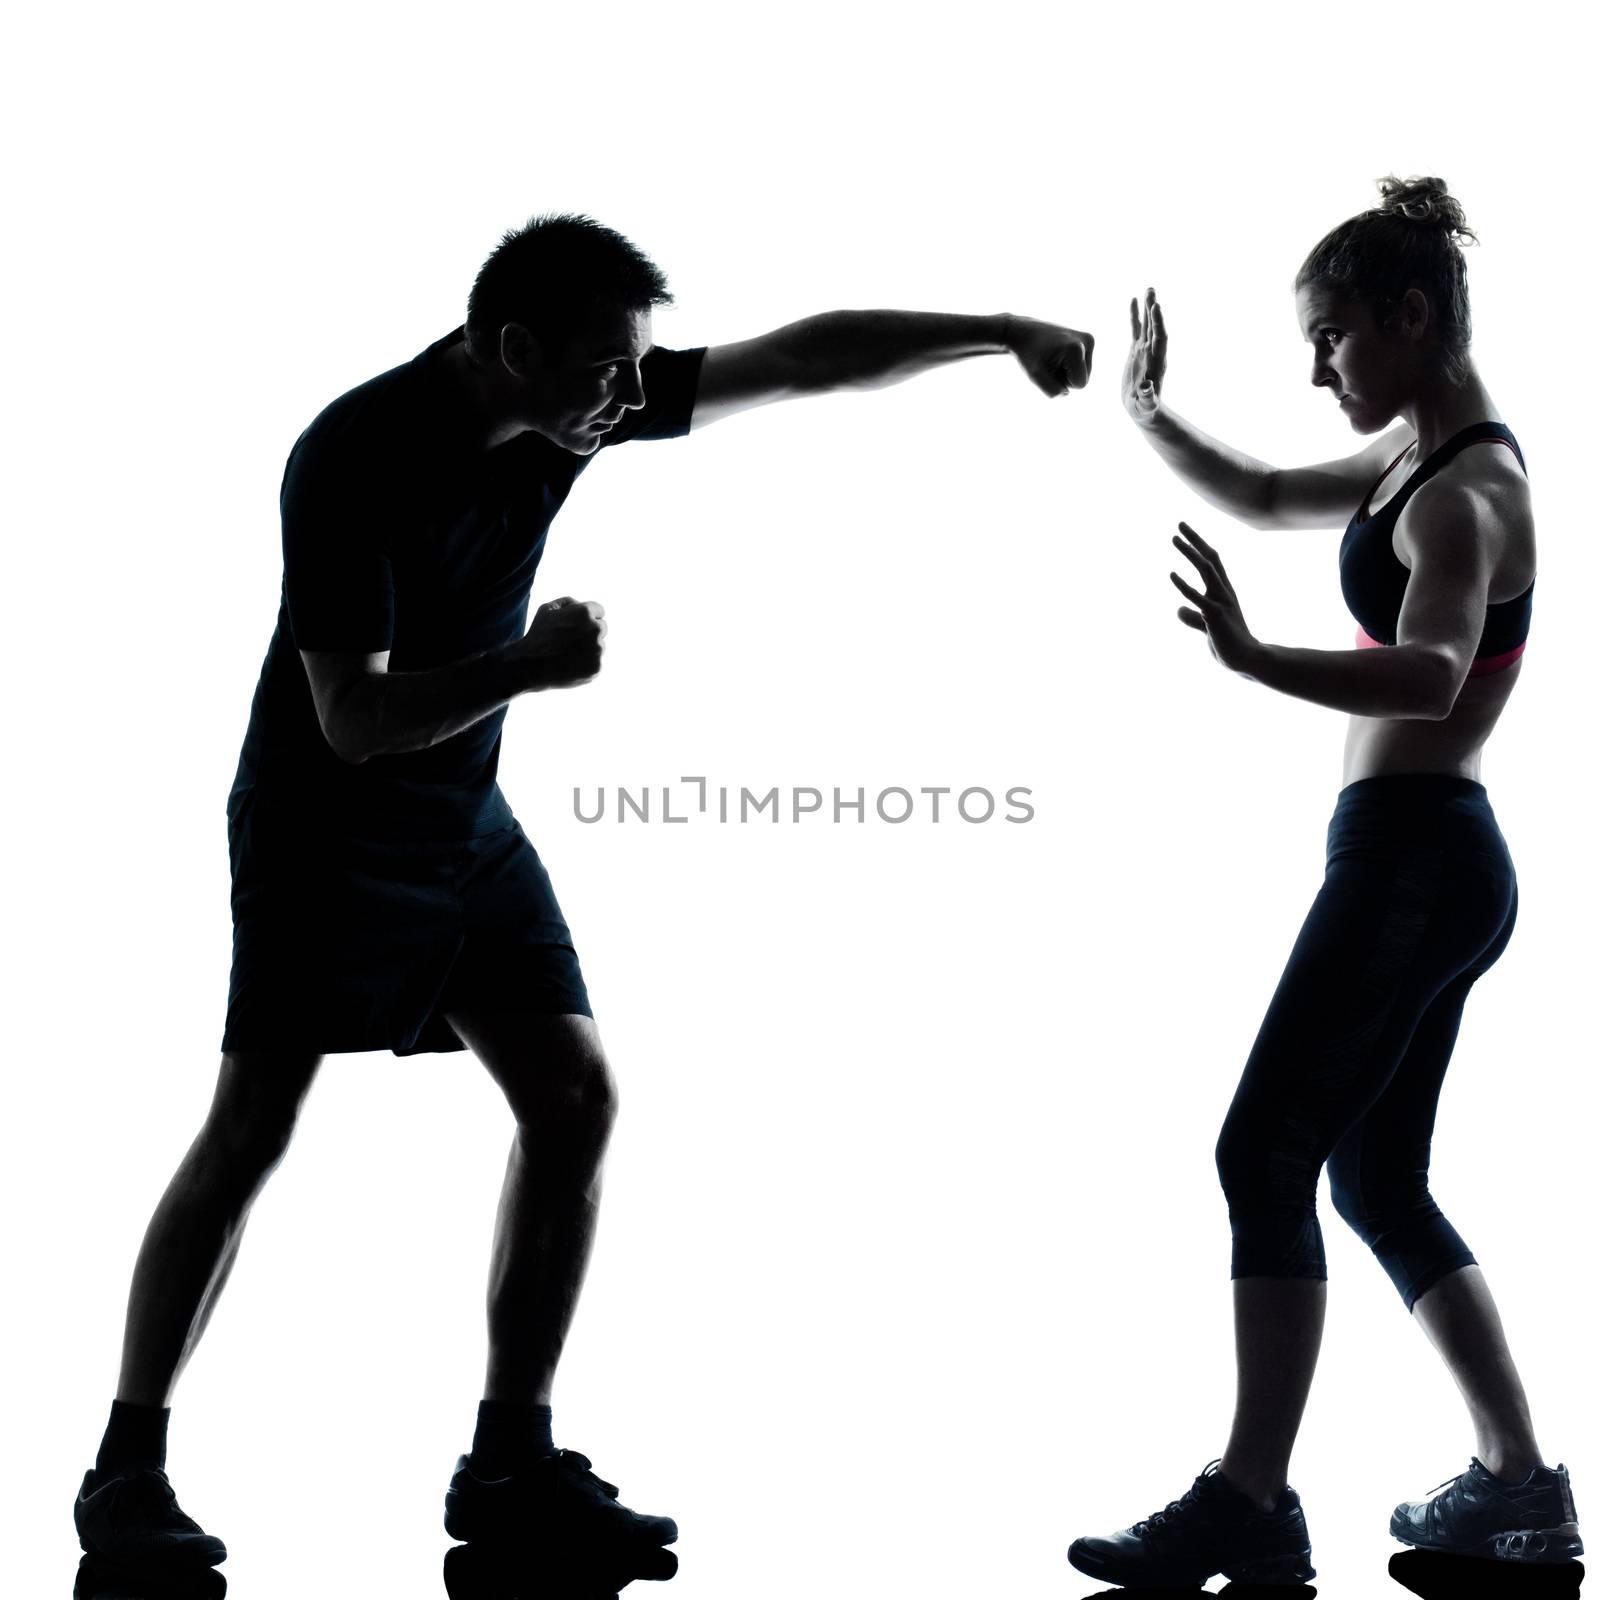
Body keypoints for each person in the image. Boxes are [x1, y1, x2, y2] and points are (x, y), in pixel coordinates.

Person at [73, 213, 1096, 1582]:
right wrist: (528, 672)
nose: (631, 392)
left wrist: (994, 332)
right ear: (514, 349)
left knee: (572, 1095)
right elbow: (351, 720)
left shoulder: (574, 410)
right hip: (326, 826)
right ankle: (124, 1472)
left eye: (635, 368)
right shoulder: (354, 457)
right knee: (255, 1122)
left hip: (464, 825)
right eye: (609, 370)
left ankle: (509, 1465)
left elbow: (802, 361)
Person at [1067, 177, 1580, 1588]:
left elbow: (1426, 674)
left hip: (1419, 860)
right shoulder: (1415, 460)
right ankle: (1522, 1493)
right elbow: (1268, 492)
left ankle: (1250, 1498)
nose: (1316, 367)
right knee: (1377, 1179)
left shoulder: (1472, 494)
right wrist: (1152, 416)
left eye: (1333, 337)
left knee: (1263, 1153)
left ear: (1413, 319)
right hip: (1423, 860)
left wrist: (1248, 659)